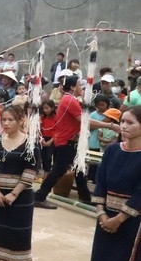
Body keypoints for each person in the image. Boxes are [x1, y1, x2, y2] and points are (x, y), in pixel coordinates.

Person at [34, 76, 118, 209]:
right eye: (79, 85)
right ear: (73, 87)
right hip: (66, 141)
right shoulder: (70, 100)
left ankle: (84, 196)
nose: (82, 87)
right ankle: (39, 196)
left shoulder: (69, 99)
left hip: (68, 140)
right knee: (59, 170)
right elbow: (85, 121)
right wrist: (110, 125)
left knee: (79, 169)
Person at [0, 105, 38, 261]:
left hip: (21, 198)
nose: (6, 123)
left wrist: (14, 193)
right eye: (4, 120)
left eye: (11, 120)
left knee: (18, 234)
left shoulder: (30, 143)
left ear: (21, 120)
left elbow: (30, 171)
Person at [89, 107, 141, 261]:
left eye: (130, 122)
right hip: (105, 219)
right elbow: (101, 183)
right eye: (122, 121)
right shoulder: (112, 150)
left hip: (133, 223)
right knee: (101, 260)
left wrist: (119, 219)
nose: (123, 126)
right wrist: (101, 213)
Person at [39, 100, 56, 175]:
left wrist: (50, 141)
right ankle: (45, 174)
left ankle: (50, 175)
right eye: (44, 108)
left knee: (49, 157)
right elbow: (40, 130)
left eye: (47, 108)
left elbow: (57, 131)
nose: (45, 110)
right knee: (44, 158)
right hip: (43, 139)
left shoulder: (56, 117)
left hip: (53, 139)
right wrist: (42, 139)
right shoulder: (42, 118)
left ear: (52, 108)